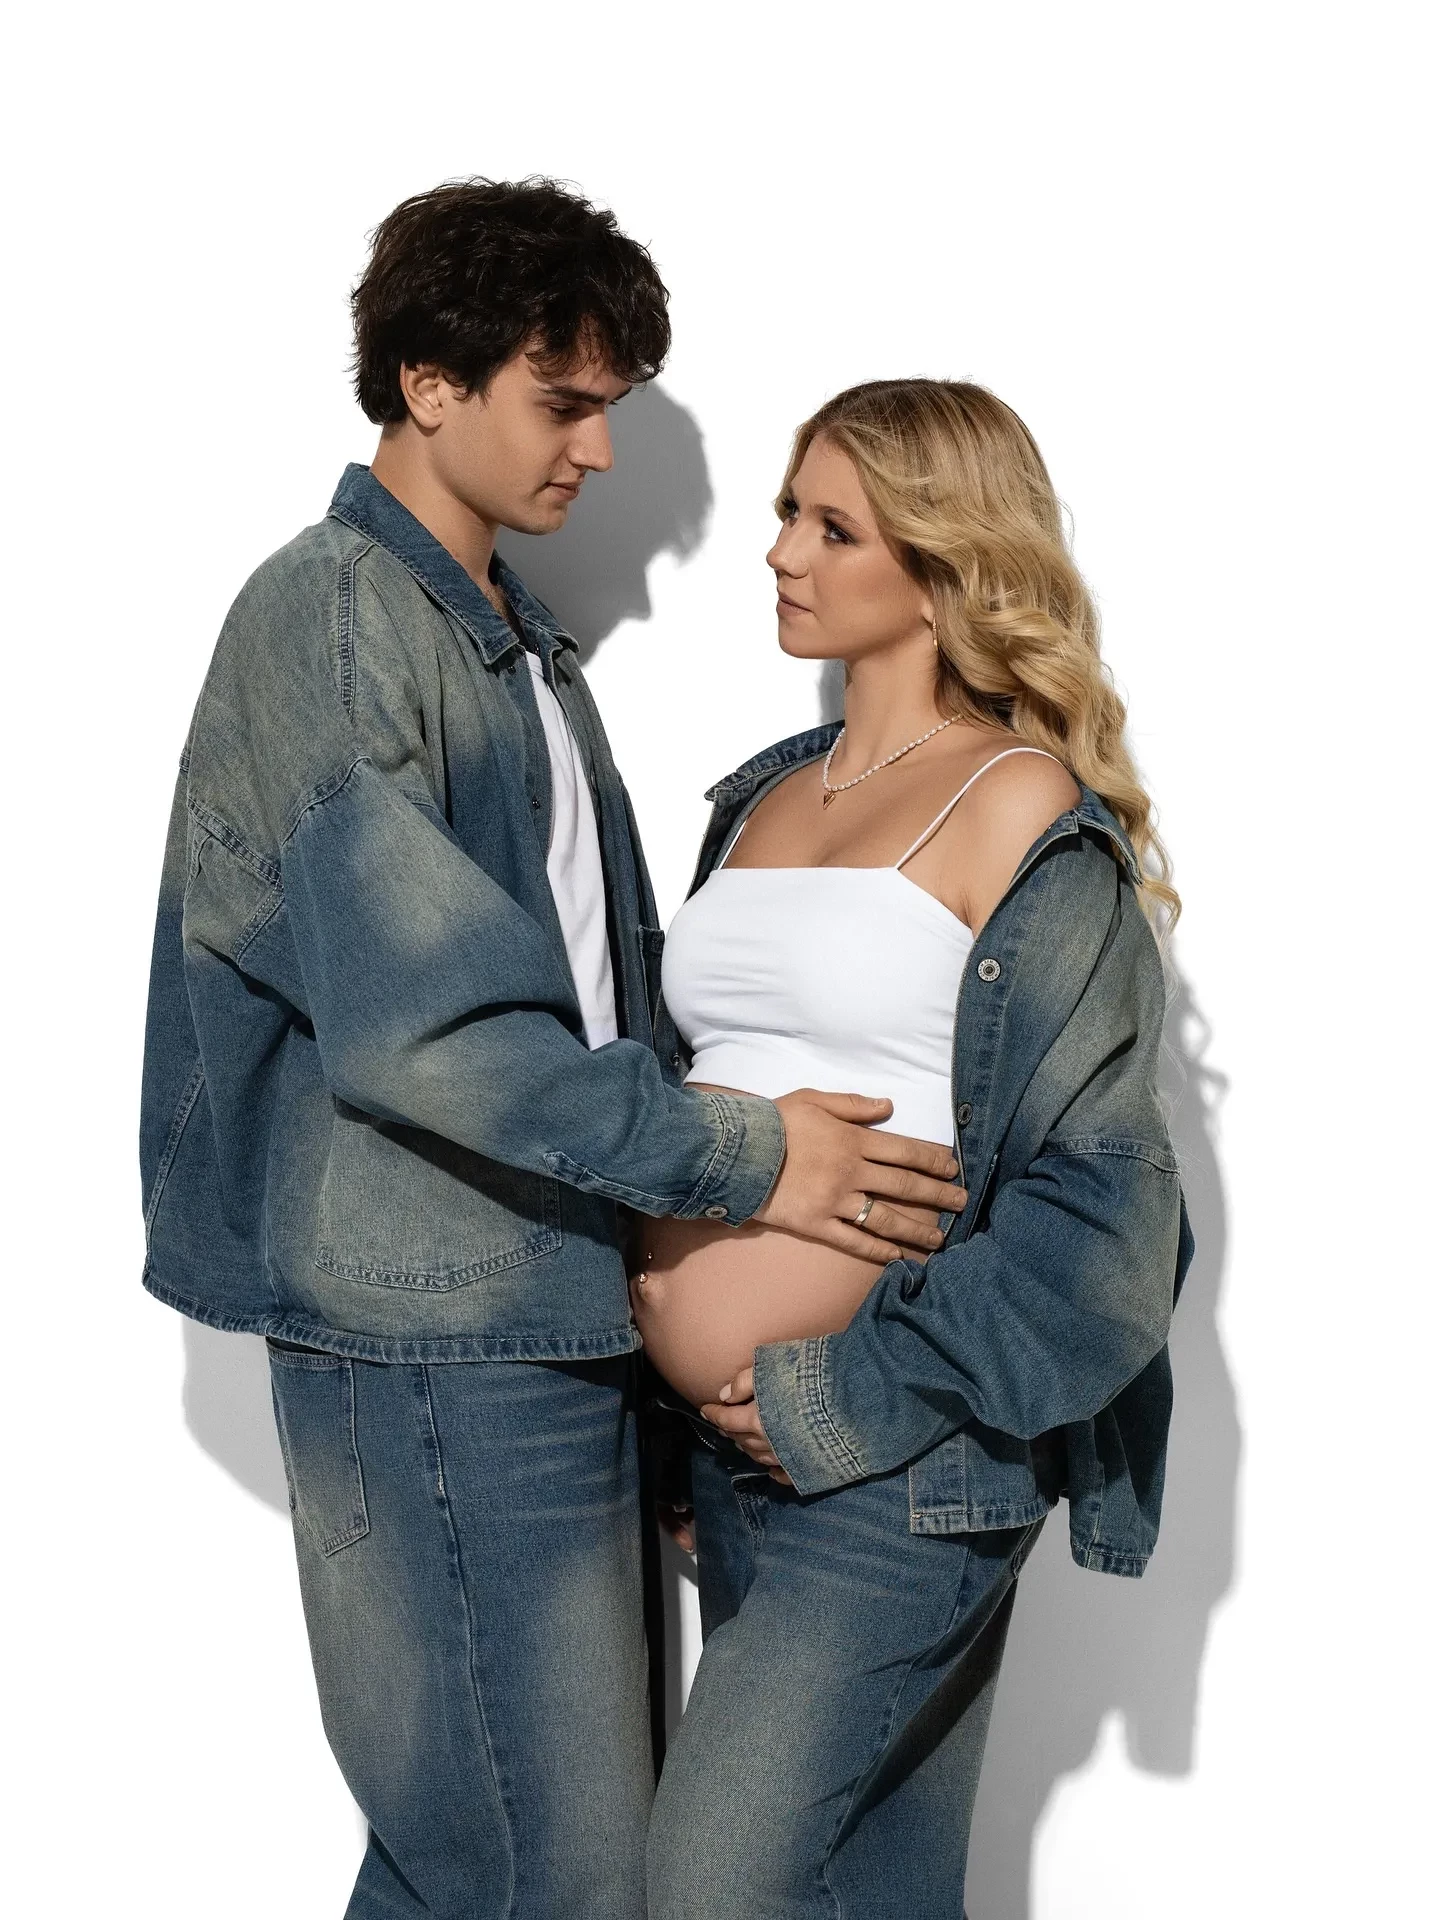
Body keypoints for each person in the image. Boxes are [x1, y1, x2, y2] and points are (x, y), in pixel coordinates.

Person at [137, 186, 967, 1920]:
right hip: (433, 1340)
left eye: (614, 409)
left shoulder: (514, 649)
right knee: (536, 1877)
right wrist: (758, 1156)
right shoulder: (339, 620)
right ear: (428, 383)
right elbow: (434, 1031)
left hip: (542, 1326)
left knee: (505, 1868)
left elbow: (601, 1006)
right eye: (562, 402)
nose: (597, 452)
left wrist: (653, 1369)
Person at [638, 379, 1193, 1918]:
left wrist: (837, 1391)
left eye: (834, 527)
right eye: (785, 514)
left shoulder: (1020, 808)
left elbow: (1106, 1226)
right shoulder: (758, 800)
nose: (781, 553)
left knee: (704, 1887)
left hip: (899, 1462)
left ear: (943, 565)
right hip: (729, 1460)